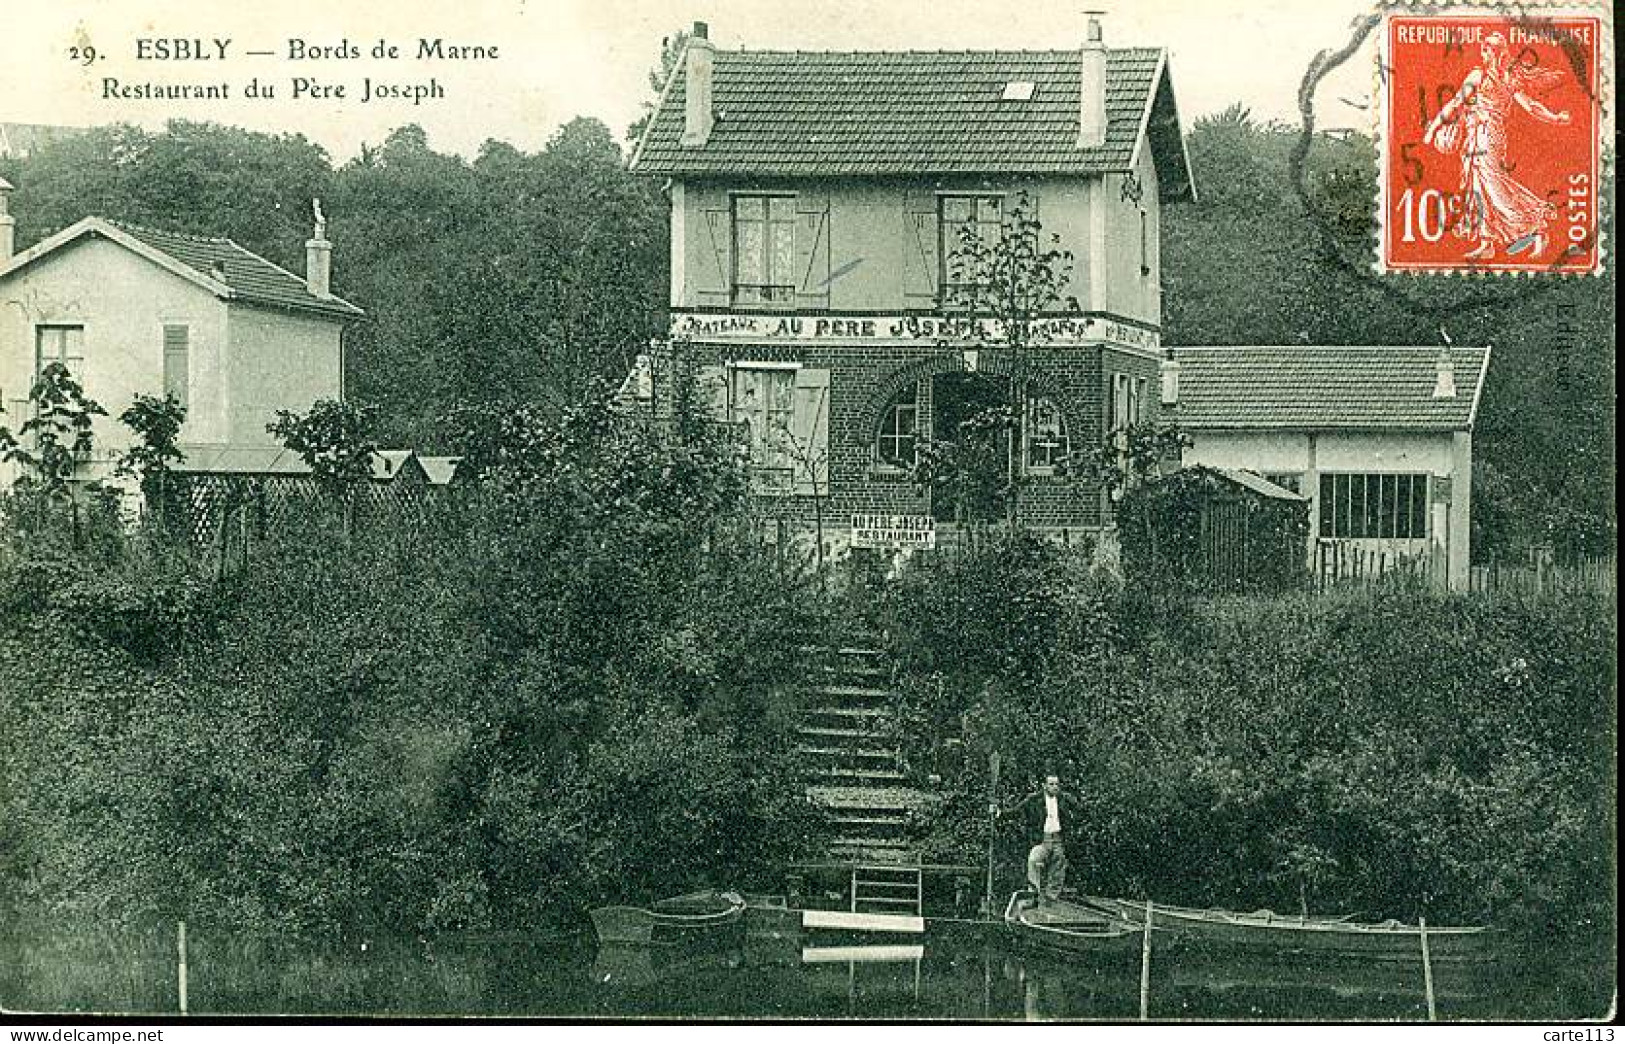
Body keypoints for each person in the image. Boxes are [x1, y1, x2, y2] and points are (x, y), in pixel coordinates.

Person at [1421, 32, 1572, 260]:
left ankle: (1536, 226)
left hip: (1489, 134)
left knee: (1493, 185)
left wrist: (1555, 118)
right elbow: (1456, 103)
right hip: (1474, 134)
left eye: (1489, 49)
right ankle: (1487, 241)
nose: (1485, 53)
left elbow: (1530, 105)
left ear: (1498, 53)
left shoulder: (1509, 79)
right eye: (1484, 49)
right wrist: (1433, 128)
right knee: (1476, 186)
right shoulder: (1477, 75)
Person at [997, 773, 1083, 904]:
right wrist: (1000, 813)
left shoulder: (1064, 799)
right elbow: (1017, 810)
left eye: (1057, 784)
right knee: (1033, 860)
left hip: (1058, 837)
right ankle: (1033, 892)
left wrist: (1072, 826)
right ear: (1044, 786)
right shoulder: (1034, 799)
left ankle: (1051, 896)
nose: (1055, 787)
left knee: (1059, 863)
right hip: (1042, 838)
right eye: (1051, 784)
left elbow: (1080, 810)